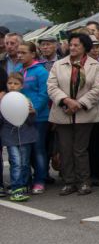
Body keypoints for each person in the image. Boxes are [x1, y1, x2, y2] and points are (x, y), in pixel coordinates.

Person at [47, 33, 99, 196]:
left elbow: (97, 89)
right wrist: (66, 100)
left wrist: (78, 104)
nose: (72, 48)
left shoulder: (95, 65)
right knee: (65, 148)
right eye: (70, 45)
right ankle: (69, 181)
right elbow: (51, 86)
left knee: (80, 149)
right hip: (63, 111)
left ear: (84, 47)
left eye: (76, 45)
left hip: (84, 112)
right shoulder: (59, 64)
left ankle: (84, 181)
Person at [2, 72, 39, 202]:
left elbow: (31, 121)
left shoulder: (26, 100)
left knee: (24, 163)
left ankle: (22, 185)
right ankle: (16, 188)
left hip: (26, 137)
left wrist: (32, 113)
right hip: (10, 137)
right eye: (10, 83)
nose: (12, 86)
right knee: (16, 162)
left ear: (22, 86)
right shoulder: (4, 100)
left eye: (16, 83)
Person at [18, 41, 49, 194]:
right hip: (21, 118)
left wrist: (33, 109)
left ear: (33, 54)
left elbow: (44, 94)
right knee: (25, 150)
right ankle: (26, 180)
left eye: (23, 53)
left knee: (38, 149)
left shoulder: (41, 72)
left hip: (38, 118)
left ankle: (40, 180)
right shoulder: (18, 70)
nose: (20, 55)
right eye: (19, 53)